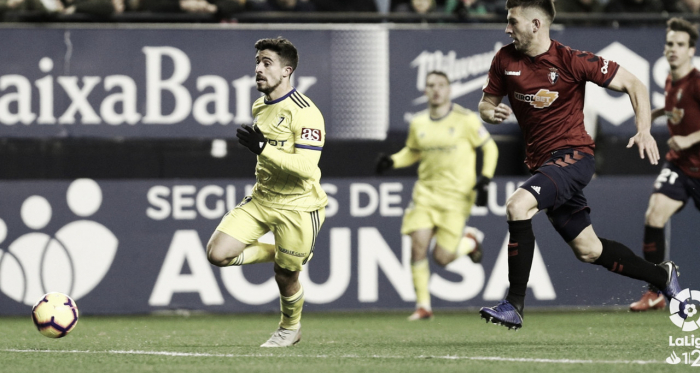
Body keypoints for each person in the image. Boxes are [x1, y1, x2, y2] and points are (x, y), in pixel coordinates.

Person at [477, 0, 682, 330]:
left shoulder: (571, 60)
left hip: (574, 157)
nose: (506, 28)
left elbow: (635, 84)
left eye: (512, 22)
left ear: (535, 25)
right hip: (543, 166)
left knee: (518, 206)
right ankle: (663, 275)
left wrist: (643, 129)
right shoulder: (505, 59)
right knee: (588, 250)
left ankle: (514, 303)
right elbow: (486, 104)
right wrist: (491, 113)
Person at [207, 37, 327, 347]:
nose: (258, 69)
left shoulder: (306, 113)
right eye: (258, 62)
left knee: (286, 277)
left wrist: (263, 148)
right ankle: (287, 254)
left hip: (298, 206)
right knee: (217, 254)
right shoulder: (260, 105)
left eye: (266, 63)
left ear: (287, 71)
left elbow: (304, 167)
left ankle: (290, 328)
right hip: (262, 198)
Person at [375, 70, 499, 321]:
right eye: (431, 85)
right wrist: (392, 161)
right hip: (425, 195)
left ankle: (470, 242)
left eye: (441, 85)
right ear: (425, 91)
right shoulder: (419, 122)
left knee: (442, 258)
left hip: (456, 198)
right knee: (417, 246)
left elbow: (490, 147)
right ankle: (423, 307)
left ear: (449, 89)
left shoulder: (466, 120)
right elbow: (412, 152)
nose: (436, 89)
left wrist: (484, 179)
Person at [629, 18, 700, 312]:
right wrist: (658, 113)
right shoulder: (671, 80)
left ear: (691, 50)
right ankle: (657, 290)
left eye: (680, 44)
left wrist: (688, 140)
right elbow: (678, 110)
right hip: (680, 168)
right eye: (669, 43)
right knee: (654, 216)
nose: (673, 49)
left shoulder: (697, 82)